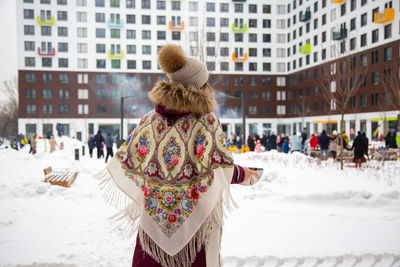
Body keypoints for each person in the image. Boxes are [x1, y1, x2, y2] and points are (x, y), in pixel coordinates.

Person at [99, 45, 260, 267]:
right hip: (195, 225)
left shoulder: (149, 121)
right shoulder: (206, 122)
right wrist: (243, 174)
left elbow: (130, 159)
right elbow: (218, 169)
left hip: (154, 222)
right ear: (199, 86)